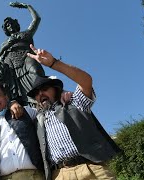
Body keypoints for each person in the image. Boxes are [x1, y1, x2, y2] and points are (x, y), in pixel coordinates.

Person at [26, 44, 121, 180]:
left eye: (45, 88)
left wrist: (54, 63)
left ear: (55, 89)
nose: (41, 94)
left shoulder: (74, 103)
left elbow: (86, 82)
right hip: (60, 174)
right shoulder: (37, 119)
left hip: (92, 168)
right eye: (36, 93)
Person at [0, 2, 45, 106]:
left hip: (27, 57)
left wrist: (26, 6)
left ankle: (44, 100)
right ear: (6, 30)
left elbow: (37, 19)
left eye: (11, 23)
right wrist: (8, 44)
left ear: (16, 24)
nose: (10, 25)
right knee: (17, 94)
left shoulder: (26, 33)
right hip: (11, 67)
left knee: (36, 73)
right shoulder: (4, 42)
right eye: (7, 25)